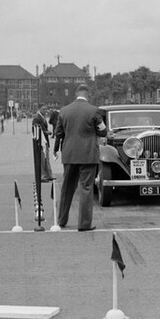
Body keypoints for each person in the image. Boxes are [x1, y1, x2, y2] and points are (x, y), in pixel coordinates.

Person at [53, 84, 107, 231]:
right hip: (88, 154)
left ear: (76, 94)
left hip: (69, 154)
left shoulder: (64, 111)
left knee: (67, 187)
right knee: (86, 187)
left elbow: (58, 133)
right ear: (87, 94)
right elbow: (103, 132)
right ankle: (84, 224)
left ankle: (61, 220)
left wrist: (55, 149)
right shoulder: (94, 111)